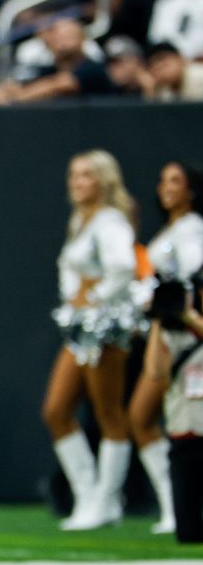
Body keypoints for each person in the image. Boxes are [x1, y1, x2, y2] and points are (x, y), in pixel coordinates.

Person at [41, 150, 138, 532]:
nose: (76, 182)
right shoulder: (81, 220)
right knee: (56, 410)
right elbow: (69, 270)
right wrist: (74, 299)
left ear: (103, 181)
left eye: (85, 175)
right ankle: (87, 494)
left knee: (108, 412)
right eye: (73, 174)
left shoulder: (111, 221)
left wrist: (94, 298)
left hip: (106, 326)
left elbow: (124, 268)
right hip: (80, 327)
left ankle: (107, 500)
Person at [128, 162, 203, 534]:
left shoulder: (192, 230)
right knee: (144, 418)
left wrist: (177, 302)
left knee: (179, 421)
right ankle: (174, 503)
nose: (166, 187)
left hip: (188, 334)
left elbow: (193, 274)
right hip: (165, 331)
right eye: (163, 180)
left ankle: (180, 505)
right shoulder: (171, 230)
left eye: (176, 181)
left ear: (191, 190)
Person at [142, 276, 203, 543]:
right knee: (187, 532)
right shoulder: (174, 332)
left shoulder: (193, 327)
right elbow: (155, 371)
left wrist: (191, 319)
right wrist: (158, 319)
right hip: (183, 432)